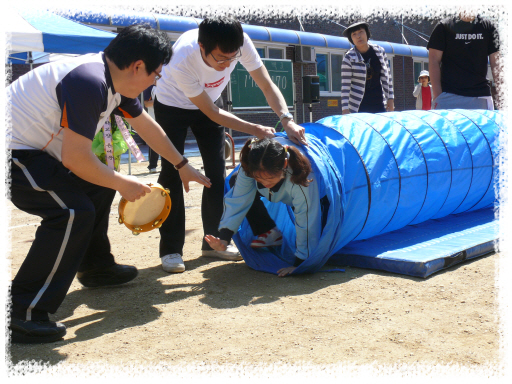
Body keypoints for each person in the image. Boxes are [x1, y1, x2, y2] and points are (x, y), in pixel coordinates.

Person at [6, 24, 211, 344]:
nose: (156, 80)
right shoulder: (90, 81)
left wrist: (181, 165)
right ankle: (22, 313)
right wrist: (123, 183)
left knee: (98, 185)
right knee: (72, 211)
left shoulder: (114, 82)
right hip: (14, 154)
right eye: (156, 74)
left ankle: (95, 266)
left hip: (35, 153)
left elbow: (147, 126)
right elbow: (75, 158)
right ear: (137, 66)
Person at [154, 17, 307, 274]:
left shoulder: (240, 43)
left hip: (211, 103)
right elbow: (212, 113)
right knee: (172, 173)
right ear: (202, 47)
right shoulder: (183, 57)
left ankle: (212, 243)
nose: (226, 64)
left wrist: (286, 119)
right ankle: (171, 249)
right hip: (172, 106)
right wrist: (256, 130)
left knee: (215, 173)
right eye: (220, 59)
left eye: (231, 59)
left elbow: (266, 84)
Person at [204, 137, 324, 277]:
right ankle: (269, 231)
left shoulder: (301, 176)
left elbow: (307, 218)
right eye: (258, 178)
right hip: (277, 186)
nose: (265, 183)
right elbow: (238, 200)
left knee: (321, 233)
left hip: (321, 194)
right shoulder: (249, 168)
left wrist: (300, 263)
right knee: (235, 180)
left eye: (270, 178)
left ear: (285, 164)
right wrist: (224, 238)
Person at [427, 12, 501, 110]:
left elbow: (496, 64)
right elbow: (434, 60)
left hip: (480, 97)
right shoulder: (443, 26)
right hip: (448, 97)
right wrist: (438, 96)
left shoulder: (489, 27)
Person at [341, 21, 394, 114]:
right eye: (354, 34)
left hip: (380, 104)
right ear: (351, 39)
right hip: (358, 107)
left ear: (367, 33)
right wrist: (345, 108)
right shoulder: (349, 57)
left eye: (361, 32)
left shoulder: (380, 51)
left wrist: (390, 98)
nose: (358, 36)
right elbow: (345, 85)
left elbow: (388, 77)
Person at [143, 84, 160, 173]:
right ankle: (152, 166)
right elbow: (146, 104)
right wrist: (159, 100)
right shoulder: (149, 87)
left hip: (168, 118)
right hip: (153, 119)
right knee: (154, 143)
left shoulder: (167, 85)